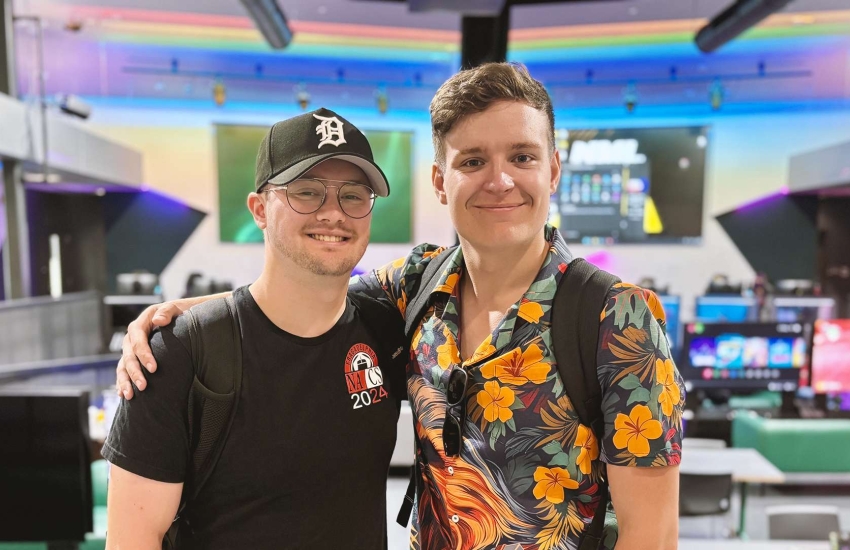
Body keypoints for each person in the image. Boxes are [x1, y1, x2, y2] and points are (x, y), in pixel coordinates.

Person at [117, 63, 684, 550]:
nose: (500, 180)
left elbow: (652, 536)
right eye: (472, 162)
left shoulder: (619, 318)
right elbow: (307, 289)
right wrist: (182, 318)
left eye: (522, 156)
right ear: (440, 180)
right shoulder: (418, 286)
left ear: (553, 171)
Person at [103, 108, 406, 549]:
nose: (333, 214)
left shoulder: (384, 326)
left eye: (354, 196)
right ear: (259, 209)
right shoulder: (178, 354)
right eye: (307, 192)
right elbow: (134, 540)